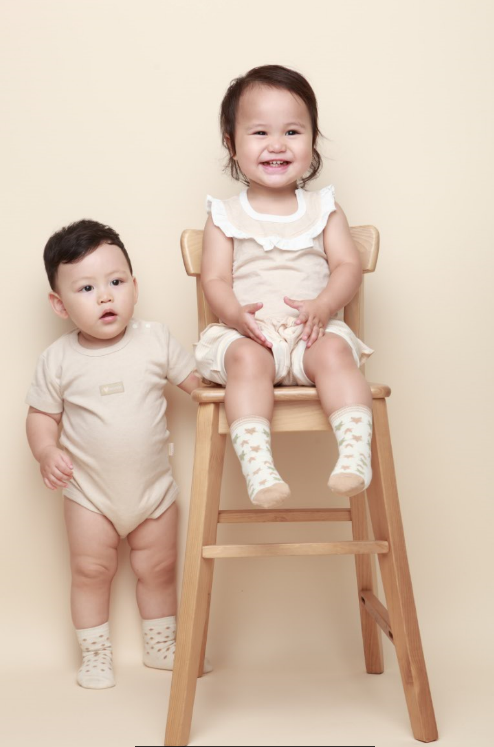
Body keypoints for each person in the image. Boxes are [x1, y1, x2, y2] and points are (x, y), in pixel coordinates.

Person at [25, 219, 209, 689]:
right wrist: (46, 451)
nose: (105, 297)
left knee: (159, 568)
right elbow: (41, 416)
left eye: (116, 282)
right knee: (90, 571)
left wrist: (234, 387)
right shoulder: (58, 359)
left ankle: (162, 646)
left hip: (154, 492)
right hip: (90, 494)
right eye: (86, 288)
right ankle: (95, 655)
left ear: (134, 286)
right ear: (59, 304)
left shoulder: (156, 340)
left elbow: (199, 387)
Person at [195, 64, 373, 509]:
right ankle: (259, 467)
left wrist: (325, 304)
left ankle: (354, 456)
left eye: (292, 132)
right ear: (231, 144)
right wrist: (234, 314)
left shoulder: (324, 209)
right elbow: (214, 279)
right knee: (245, 358)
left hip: (311, 333)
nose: (277, 145)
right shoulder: (224, 216)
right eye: (260, 133)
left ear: (312, 140)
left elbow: (347, 266)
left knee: (334, 352)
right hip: (251, 334)